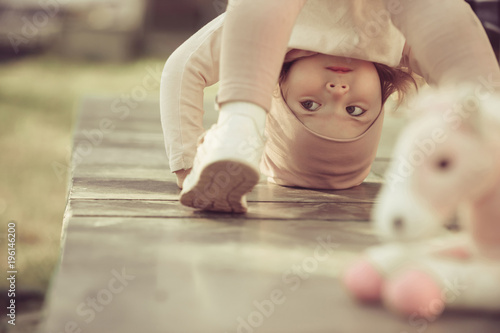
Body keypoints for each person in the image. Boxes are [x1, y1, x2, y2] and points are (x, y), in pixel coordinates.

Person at [160, 0, 500, 214]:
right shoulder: (396, 46)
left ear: (277, 91)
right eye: (355, 110)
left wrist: (188, 163)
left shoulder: (275, 44)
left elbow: (183, 68)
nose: (337, 92)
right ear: (382, 96)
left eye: (310, 105)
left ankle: (240, 123)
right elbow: (458, 66)